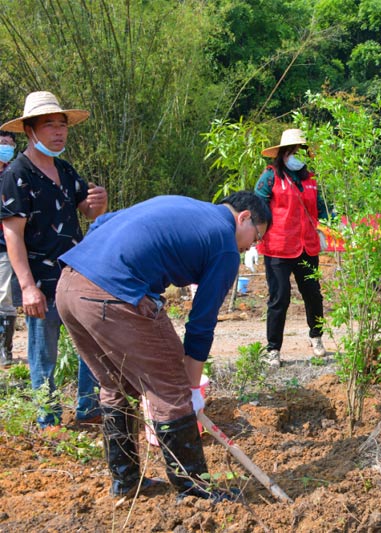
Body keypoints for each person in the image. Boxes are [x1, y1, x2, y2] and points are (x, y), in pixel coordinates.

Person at [56, 191, 270, 499]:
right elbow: (201, 323)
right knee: (171, 387)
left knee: (116, 385)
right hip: (113, 294)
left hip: (69, 285)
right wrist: (191, 393)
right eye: (256, 236)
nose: (252, 246)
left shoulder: (183, 205)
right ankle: (195, 490)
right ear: (244, 217)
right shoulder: (224, 244)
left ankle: (126, 482)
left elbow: (102, 222)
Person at [0, 92, 107, 427]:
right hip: (40, 280)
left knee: (89, 342)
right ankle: (48, 419)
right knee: (43, 352)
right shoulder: (18, 174)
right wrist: (27, 286)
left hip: (74, 275)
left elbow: (86, 211)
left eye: (62, 126)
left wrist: (97, 203)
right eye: (50, 125)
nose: (59, 132)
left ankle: (88, 408)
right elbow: (12, 233)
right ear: (30, 130)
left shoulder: (64, 169)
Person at [254, 128, 326, 367]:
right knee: (279, 297)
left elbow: (323, 209)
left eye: (301, 151)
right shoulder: (271, 175)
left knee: (313, 294)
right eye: (294, 151)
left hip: (307, 245)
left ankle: (317, 336)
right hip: (278, 246)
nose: (298, 155)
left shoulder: (311, 179)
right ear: (283, 153)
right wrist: (255, 238)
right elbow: (258, 207)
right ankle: (273, 349)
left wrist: (326, 229)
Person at [0, 130, 22, 368]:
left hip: (5, 243)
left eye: (9, 144)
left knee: (4, 296)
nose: (6, 147)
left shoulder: (16, 175)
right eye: (2, 143)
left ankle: (4, 351)